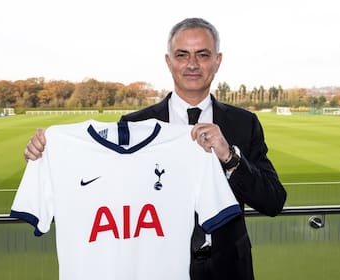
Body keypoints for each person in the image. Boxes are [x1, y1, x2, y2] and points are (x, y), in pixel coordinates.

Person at [24, 17, 287, 280]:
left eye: (202, 55)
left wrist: (229, 157)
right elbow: (106, 192)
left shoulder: (243, 123)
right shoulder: (133, 125)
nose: (192, 64)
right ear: (168, 61)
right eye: (182, 55)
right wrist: (45, 155)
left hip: (228, 269)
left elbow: (273, 200)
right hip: (155, 270)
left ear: (217, 61)